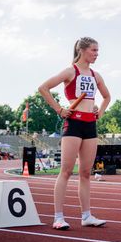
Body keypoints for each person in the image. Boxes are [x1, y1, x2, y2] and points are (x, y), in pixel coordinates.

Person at [38, 37, 111, 230]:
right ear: (83, 50)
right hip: (74, 123)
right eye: (94, 50)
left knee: (86, 173)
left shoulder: (96, 75)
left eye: (98, 51)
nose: (97, 54)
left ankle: (86, 216)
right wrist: (59, 109)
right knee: (66, 171)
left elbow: (107, 96)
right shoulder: (71, 71)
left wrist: (100, 112)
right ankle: (58, 217)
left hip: (90, 125)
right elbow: (43, 88)